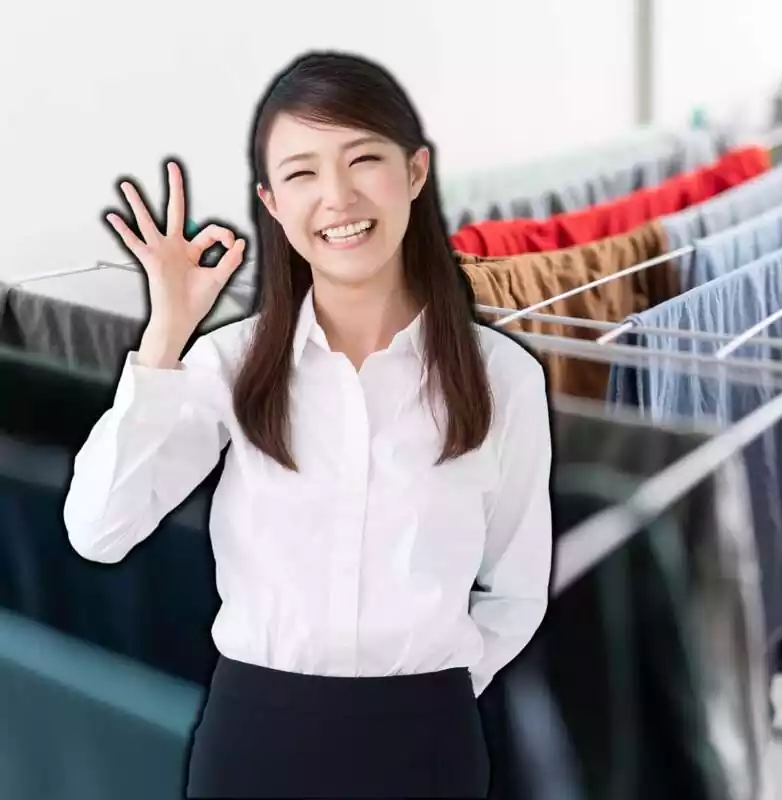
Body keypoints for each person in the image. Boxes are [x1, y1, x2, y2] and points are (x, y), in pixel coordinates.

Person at [63, 50, 554, 799]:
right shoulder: (227, 363)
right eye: (302, 173)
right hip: (256, 738)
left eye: (364, 159)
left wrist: (433, 688)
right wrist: (166, 334)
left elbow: (517, 591)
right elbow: (99, 531)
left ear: (416, 172)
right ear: (271, 200)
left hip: (429, 742)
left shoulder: (502, 379)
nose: (337, 195)